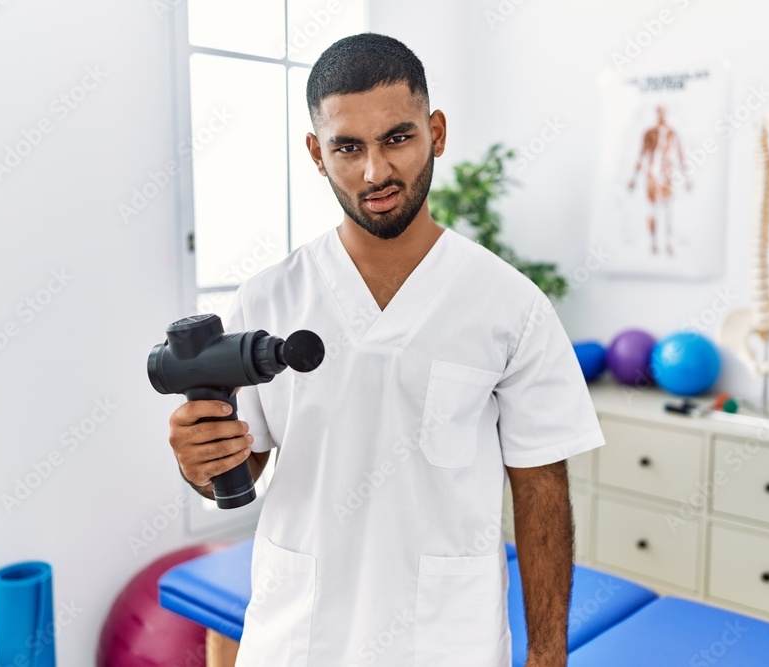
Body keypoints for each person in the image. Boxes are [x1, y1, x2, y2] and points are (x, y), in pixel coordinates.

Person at [167, 33, 603, 667]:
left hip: (446, 641)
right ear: (317, 153)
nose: (375, 172)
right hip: (299, 636)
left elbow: (541, 491)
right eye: (348, 147)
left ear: (437, 132)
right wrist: (199, 463)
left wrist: (548, 656)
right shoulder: (265, 299)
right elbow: (241, 472)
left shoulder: (512, 306)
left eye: (397, 138)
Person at [628, 104, 691, 256]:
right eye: (659, 113)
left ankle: (668, 243)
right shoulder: (649, 133)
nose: (662, 116)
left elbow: (680, 155)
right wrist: (634, 178)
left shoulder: (672, 133)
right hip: (651, 174)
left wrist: (686, 178)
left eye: (664, 112)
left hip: (667, 173)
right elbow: (641, 155)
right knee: (653, 209)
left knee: (668, 209)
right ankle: (654, 243)